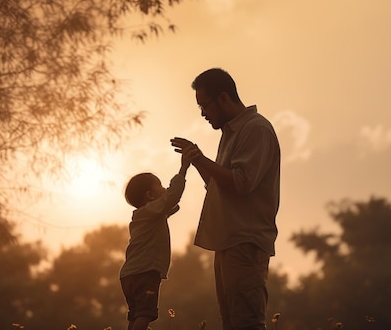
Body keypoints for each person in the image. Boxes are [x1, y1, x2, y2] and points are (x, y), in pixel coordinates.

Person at [171, 68, 281, 330]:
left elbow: (241, 183)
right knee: (232, 323)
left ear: (223, 98)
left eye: (204, 105)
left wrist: (201, 158)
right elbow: (220, 186)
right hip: (229, 242)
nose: (203, 114)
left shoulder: (256, 129)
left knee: (247, 323)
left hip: (245, 242)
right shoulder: (232, 133)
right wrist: (196, 161)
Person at [119, 148, 196, 330]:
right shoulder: (151, 211)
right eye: (160, 186)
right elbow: (172, 198)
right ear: (150, 196)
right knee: (146, 314)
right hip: (145, 272)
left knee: (136, 315)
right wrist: (183, 169)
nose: (164, 189)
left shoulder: (144, 215)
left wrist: (169, 195)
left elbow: (172, 204)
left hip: (129, 275)